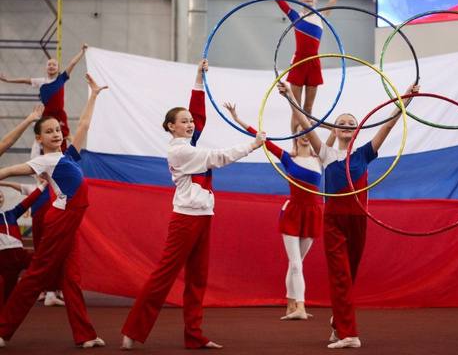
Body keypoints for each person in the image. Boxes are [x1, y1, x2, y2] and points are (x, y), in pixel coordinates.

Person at [121, 60, 265, 350]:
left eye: (189, 121)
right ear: (170, 127)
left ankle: (194, 335)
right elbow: (219, 158)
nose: (189, 124)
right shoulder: (180, 151)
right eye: (183, 121)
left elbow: (198, 114)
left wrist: (198, 79)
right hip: (185, 219)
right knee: (164, 276)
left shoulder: (189, 143)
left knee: (198, 279)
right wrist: (252, 144)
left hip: (203, 216)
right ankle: (132, 330)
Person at [278, 80, 418, 349]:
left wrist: (406, 100)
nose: (346, 125)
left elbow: (388, 126)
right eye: (341, 122)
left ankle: (337, 323)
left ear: (357, 129)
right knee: (340, 276)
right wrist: (289, 99)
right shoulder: (326, 153)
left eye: (351, 122)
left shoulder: (364, 154)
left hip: (358, 220)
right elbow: (306, 125)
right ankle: (349, 333)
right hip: (333, 221)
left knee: (349, 277)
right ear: (335, 129)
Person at [0, 73, 108, 349]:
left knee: (71, 279)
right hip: (59, 220)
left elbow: (83, 124)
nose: (56, 133)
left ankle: (84, 335)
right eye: (48, 132)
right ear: (39, 138)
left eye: (58, 129)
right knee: (37, 274)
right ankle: (3, 330)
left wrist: (94, 94)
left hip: (70, 223)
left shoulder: (68, 155)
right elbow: (13, 169)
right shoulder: (44, 161)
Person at [224, 102, 322, 320]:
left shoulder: (320, 159)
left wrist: (334, 128)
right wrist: (237, 118)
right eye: (301, 132)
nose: (305, 135)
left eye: (308, 131)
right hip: (293, 214)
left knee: (297, 263)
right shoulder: (288, 158)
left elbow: (341, 143)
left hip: (313, 213)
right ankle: (301, 307)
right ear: (295, 135)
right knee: (296, 263)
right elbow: (262, 140)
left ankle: (290, 307)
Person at [247, 0, 363, 138]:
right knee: (296, 108)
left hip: (314, 64)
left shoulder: (321, 15)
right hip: (299, 63)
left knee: (308, 109)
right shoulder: (295, 16)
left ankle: (306, 143)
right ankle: (295, 143)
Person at [0, 44, 88, 151]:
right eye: (49, 64)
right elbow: (24, 80)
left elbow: (72, 63)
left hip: (59, 114)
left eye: (54, 65)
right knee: (43, 137)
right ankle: (40, 155)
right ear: (45, 67)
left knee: (66, 135)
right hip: (47, 114)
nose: (51, 66)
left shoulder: (62, 78)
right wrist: (8, 80)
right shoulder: (41, 81)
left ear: (58, 68)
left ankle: (77, 155)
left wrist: (82, 52)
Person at [0, 181, 63, 307]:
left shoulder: (11, 214)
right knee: (7, 295)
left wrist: (45, 184)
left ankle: (49, 290)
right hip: (3, 258)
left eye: (0, 196)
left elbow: (29, 200)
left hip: (20, 255)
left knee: (45, 261)